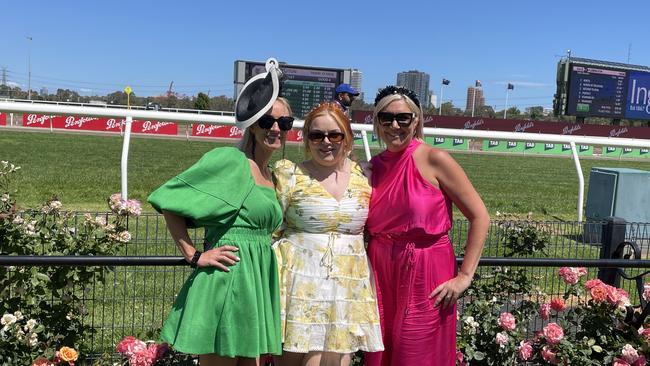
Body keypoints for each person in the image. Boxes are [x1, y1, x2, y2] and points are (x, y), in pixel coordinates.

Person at [148, 58, 293, 366]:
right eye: (267, 121)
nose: (276, 128)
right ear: (253, 125)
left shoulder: (273, 175)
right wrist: (194, 255)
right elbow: (168, 200)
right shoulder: (231, 162)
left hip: (256, 281)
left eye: (285, 123)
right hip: (229, 278)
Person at [364, 86, 489, 366]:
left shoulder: (436, 159)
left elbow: (480, 216)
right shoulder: (372, 167)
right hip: (380, 270)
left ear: (416, 120)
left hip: (427, 270)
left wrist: (465, 276)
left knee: (416, 352)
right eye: (386, 118)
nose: (394, 125)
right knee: (379, 351)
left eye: (403, 118)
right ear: (377, 122)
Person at [273, 102, 383, 366]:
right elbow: (269, 228)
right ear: (306, 139)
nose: (326, 142)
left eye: (334, 135)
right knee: (295, 359)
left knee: (338, 359)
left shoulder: (366, 176)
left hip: (347, 284)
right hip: (300, 284)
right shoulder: (289, 175)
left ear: (347, 139)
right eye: (317, 135)